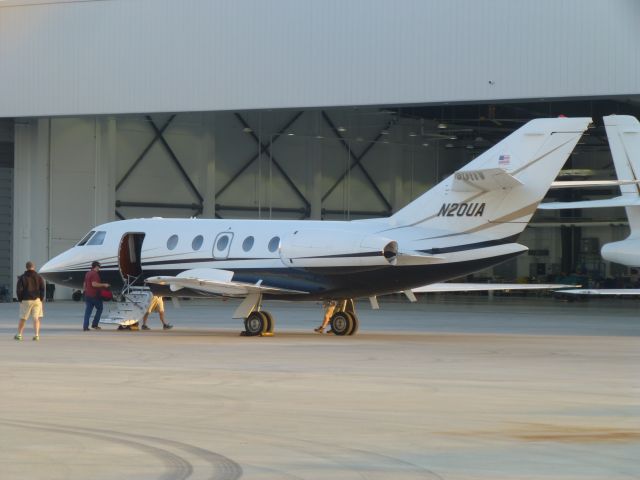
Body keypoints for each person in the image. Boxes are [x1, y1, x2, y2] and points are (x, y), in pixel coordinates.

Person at [15, 261, 45, 341]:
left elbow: (19, 290)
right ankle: (36, 335)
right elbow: (42, 289)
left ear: (26, 267)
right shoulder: (39, 277)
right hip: (37, 300)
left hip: (26, 300)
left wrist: (20, 299)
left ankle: (19, 335)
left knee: (23, 318)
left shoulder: (22, 277)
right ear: (33, 267)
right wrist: (41, 298)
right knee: (36, 318)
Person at [83, 261, 110, 331]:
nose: (99, 268)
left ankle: (85, 327)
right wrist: (104, 285)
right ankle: (95, 324)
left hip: (87, 295)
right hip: (95, 295)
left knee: (88, 311)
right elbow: (94, 284)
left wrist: (85, 291)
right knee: (100, 308)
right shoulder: (95, 274)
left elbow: (84, 284)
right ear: (96, 266)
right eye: (99, 267)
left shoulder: (88, 273)